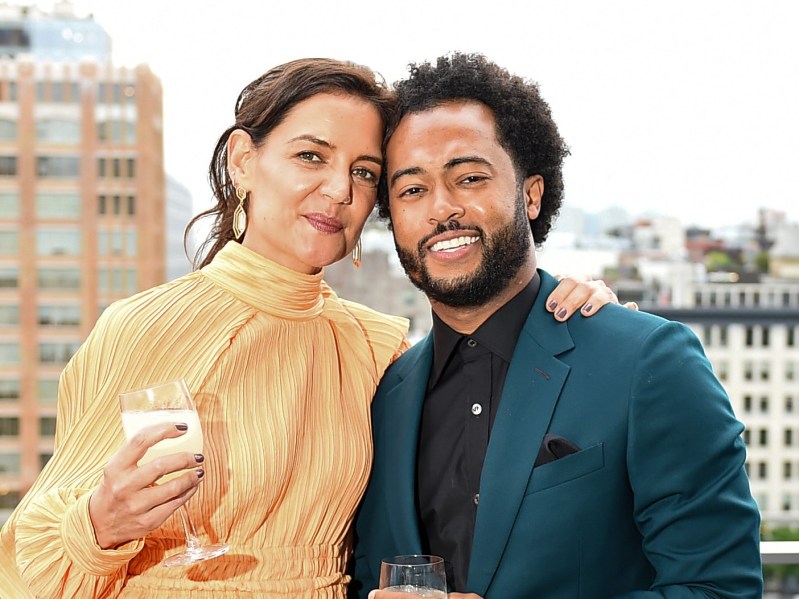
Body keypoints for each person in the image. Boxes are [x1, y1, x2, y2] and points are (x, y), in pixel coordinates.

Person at [0, 58, 618, 598]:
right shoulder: (142, 328)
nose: (338, 190)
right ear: (244, 161)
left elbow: (493, 413)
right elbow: (24, 567)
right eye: (311, 156)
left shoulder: (382, 349)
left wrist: (572, 308)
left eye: (365, 172)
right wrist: (100, 525)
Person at [350, 53, 763, 599]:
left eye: (469, 177)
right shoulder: (387, 392)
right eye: (411, 190)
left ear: (531, 193)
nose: (440, 209)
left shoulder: (649, 362)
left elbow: (720, 591)